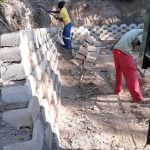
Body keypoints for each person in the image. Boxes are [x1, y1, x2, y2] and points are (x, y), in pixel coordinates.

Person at [112, 29, 144, 102]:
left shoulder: (137, 30)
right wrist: (131, 56)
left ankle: (118, 90)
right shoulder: (146, 34)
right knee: (131, 73)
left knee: (119, 71)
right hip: (124, 50)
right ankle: (138, 98)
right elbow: (135, 42)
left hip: (116, 49)